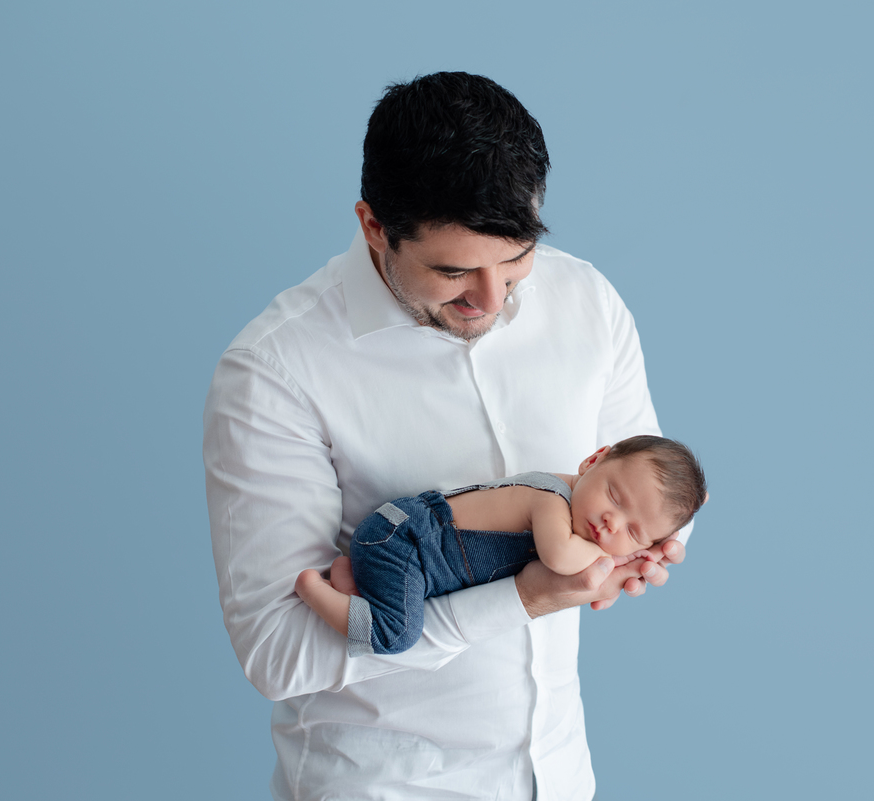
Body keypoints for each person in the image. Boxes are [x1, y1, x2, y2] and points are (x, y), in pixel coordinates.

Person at [203, 71, 690, 801]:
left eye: (516, 259)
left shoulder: (586, 300)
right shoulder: (275, 371)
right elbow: (278, 652)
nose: (491, 299)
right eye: (453, 270)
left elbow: (646, 475)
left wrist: (647, 548)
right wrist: (522, 598)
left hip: (560, 776)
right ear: (374, 227)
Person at [295, 436, 706, 657]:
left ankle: (352, 584)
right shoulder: (550, 498)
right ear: (593, 460)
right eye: (614, 496)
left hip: (410, 560)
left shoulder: (577, 519)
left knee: (404, 606)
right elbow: (560, 559)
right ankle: (312, 588)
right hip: (402, 542)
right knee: (396, 635)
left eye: (632, 531)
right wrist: (617, 554)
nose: (611, 523)